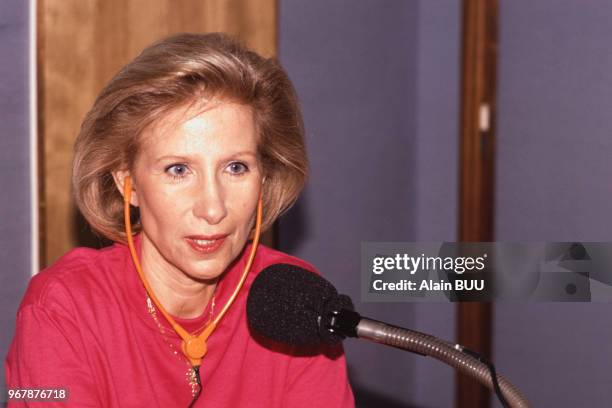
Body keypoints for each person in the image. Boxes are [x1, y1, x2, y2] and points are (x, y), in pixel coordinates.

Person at [5, 33, 354, 407]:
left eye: (236, 167)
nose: (212, 208)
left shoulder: (300, 306)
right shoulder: (60, 309)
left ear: (264, 178)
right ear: (129, 184)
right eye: (178, 169)